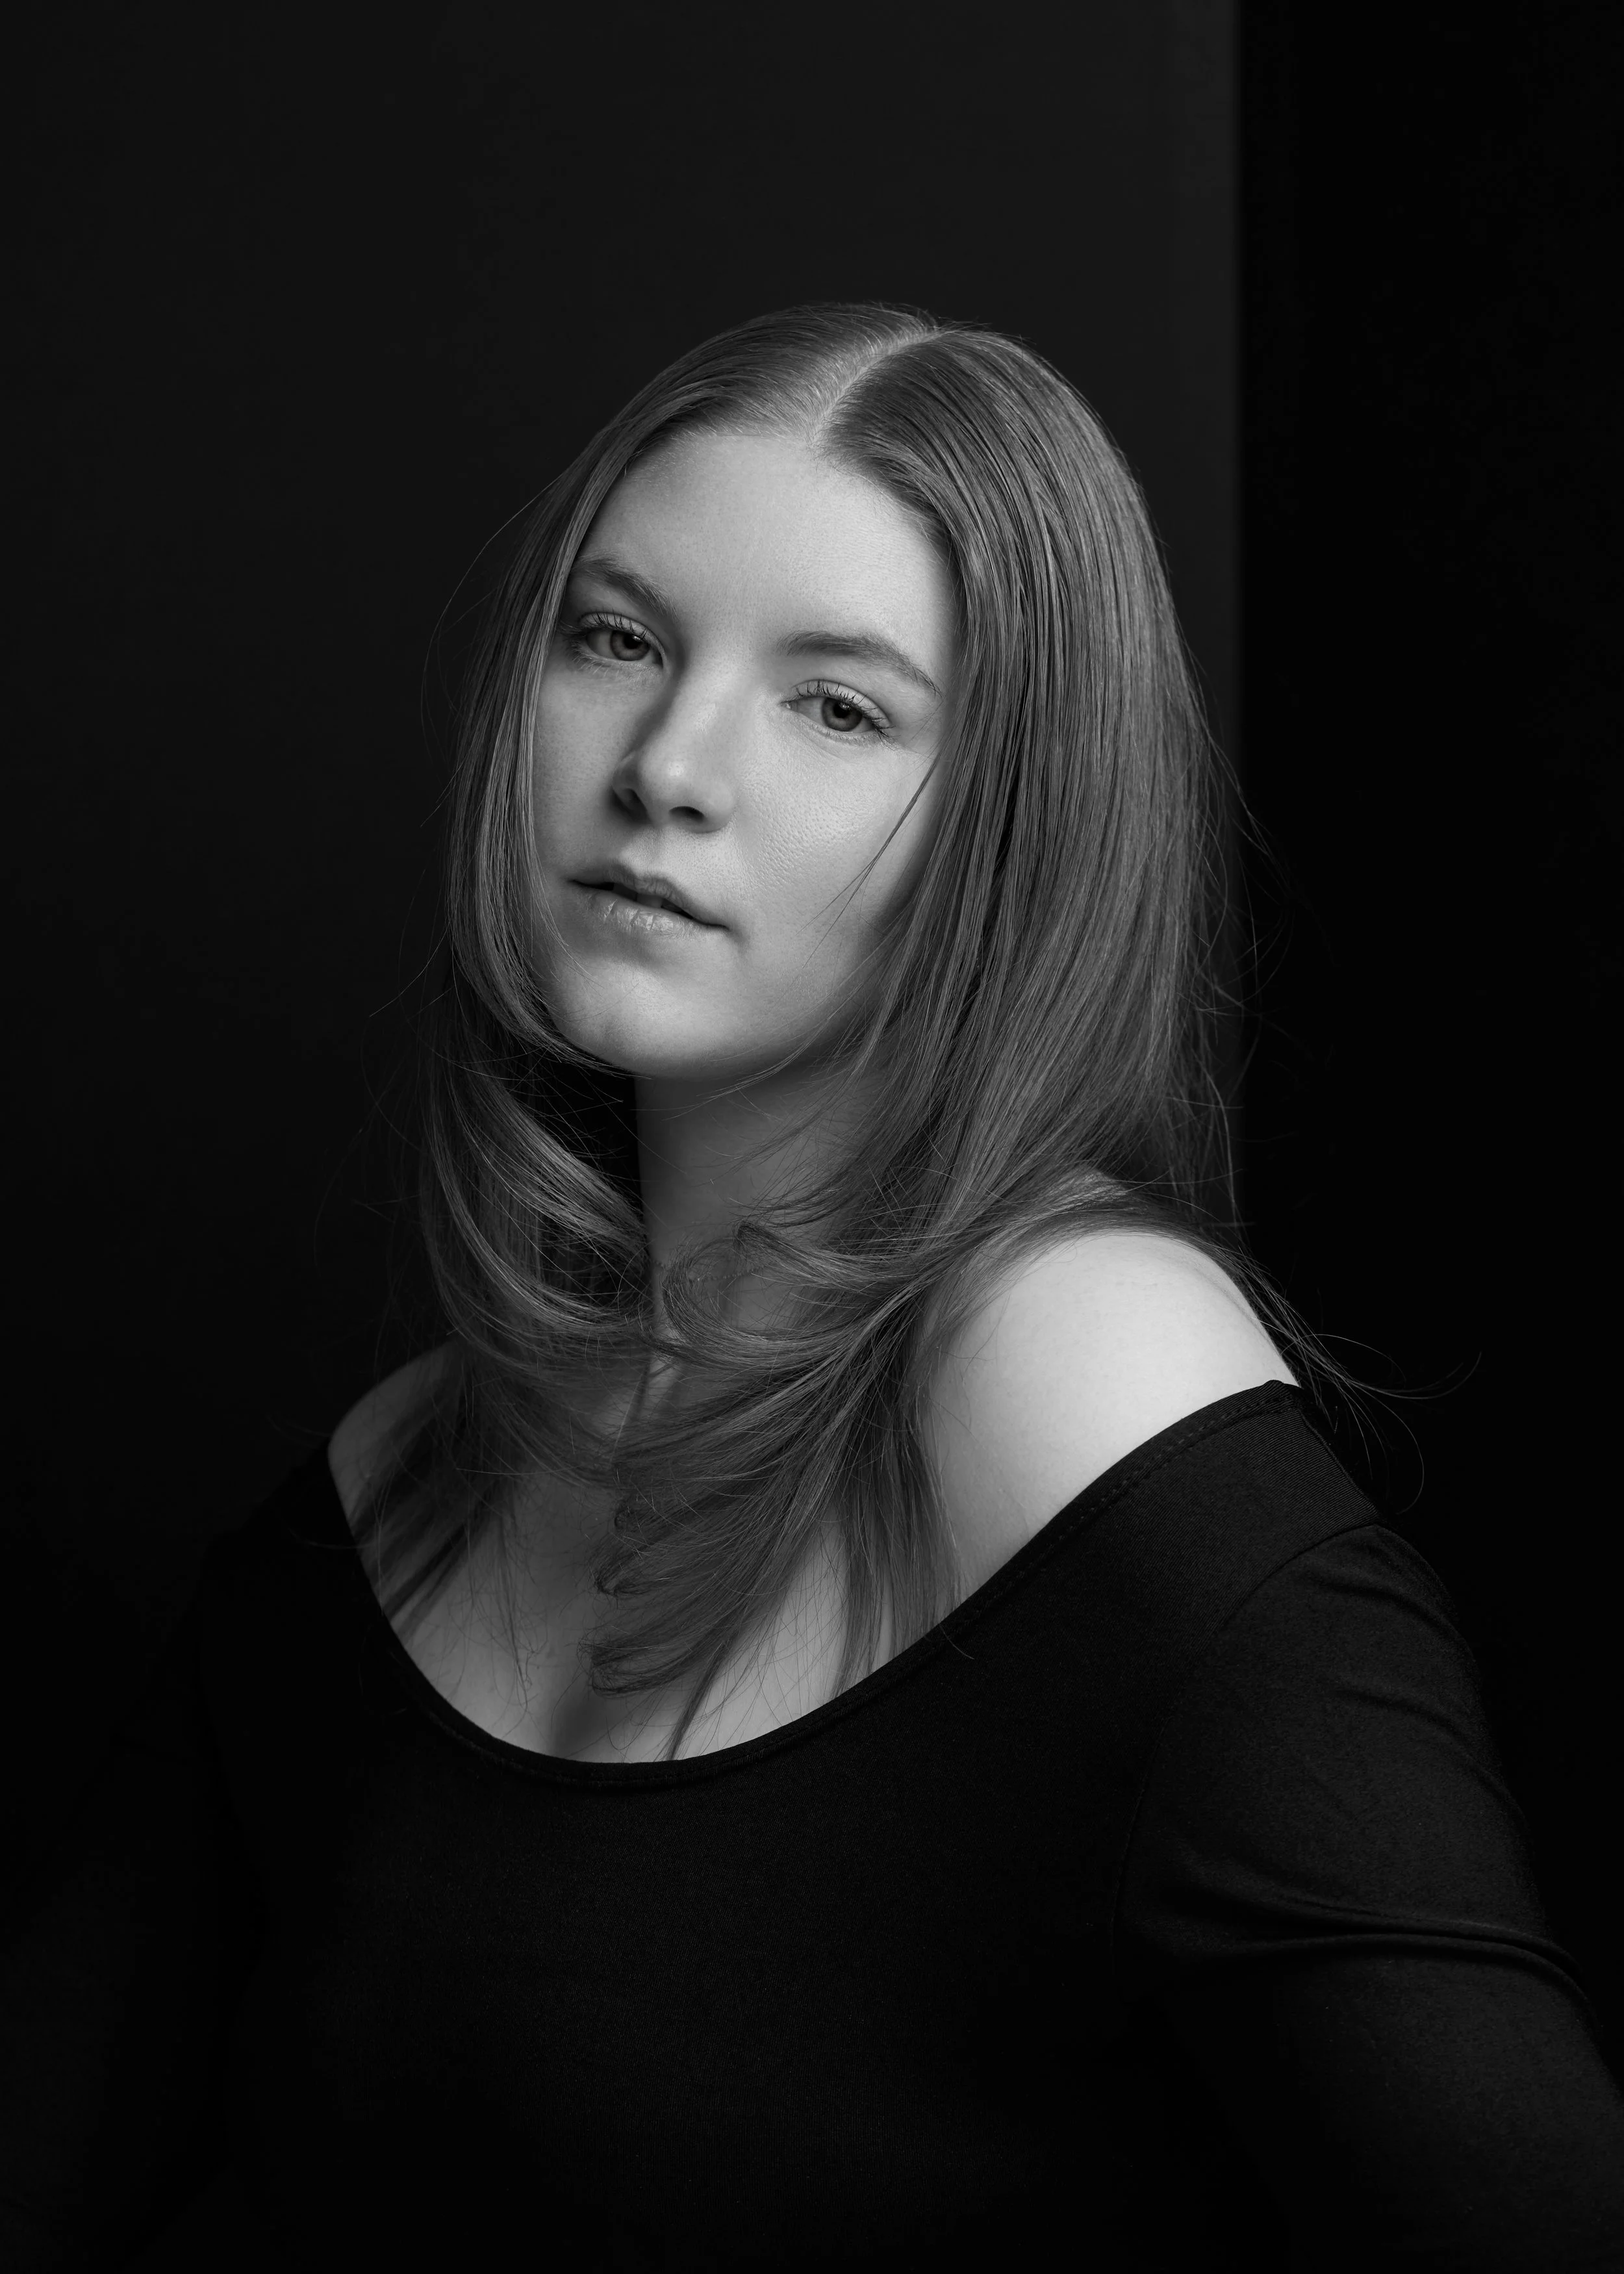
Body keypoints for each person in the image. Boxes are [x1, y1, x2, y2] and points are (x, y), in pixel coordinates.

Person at [3, 303, 1621, 2271]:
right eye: (616, 639)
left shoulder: (1082, 1376)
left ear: (1007, 836)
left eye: (836, 705)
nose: (670, 766)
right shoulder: (401, 1483)